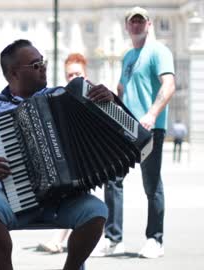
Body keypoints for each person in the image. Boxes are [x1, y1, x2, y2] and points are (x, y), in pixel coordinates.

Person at [0, 39, 114, 270]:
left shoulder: (62, 97)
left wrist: (110, 100)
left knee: (97, 212)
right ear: (14, 73)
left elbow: (107, 125)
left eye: (42, 62)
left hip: (64, 200)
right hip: (13, 198)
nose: (43, 68)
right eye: (36, 65)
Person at [93, 7, 176, 259]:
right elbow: (122, 87)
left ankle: (155, 240)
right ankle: (113, 239)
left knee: (151, 185)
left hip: (150, 129)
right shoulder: (128, 56)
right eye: (133, 22)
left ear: (149, 24)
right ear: (127, 27)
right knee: (112, 179)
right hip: (124, 128)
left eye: (141, 21)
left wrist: (151, 114)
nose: (137, 25)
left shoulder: (159, 51)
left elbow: (169, 84)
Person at [37, 52, 90, 254]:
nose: (73, 78)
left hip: (89, 158)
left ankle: (59, 239)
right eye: (69, 75)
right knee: (72, 196)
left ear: (85, 74)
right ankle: (62, 238)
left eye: (77, 73)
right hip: (69, 157)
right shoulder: (61, 97)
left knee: (75, 196)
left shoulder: (95, 94)